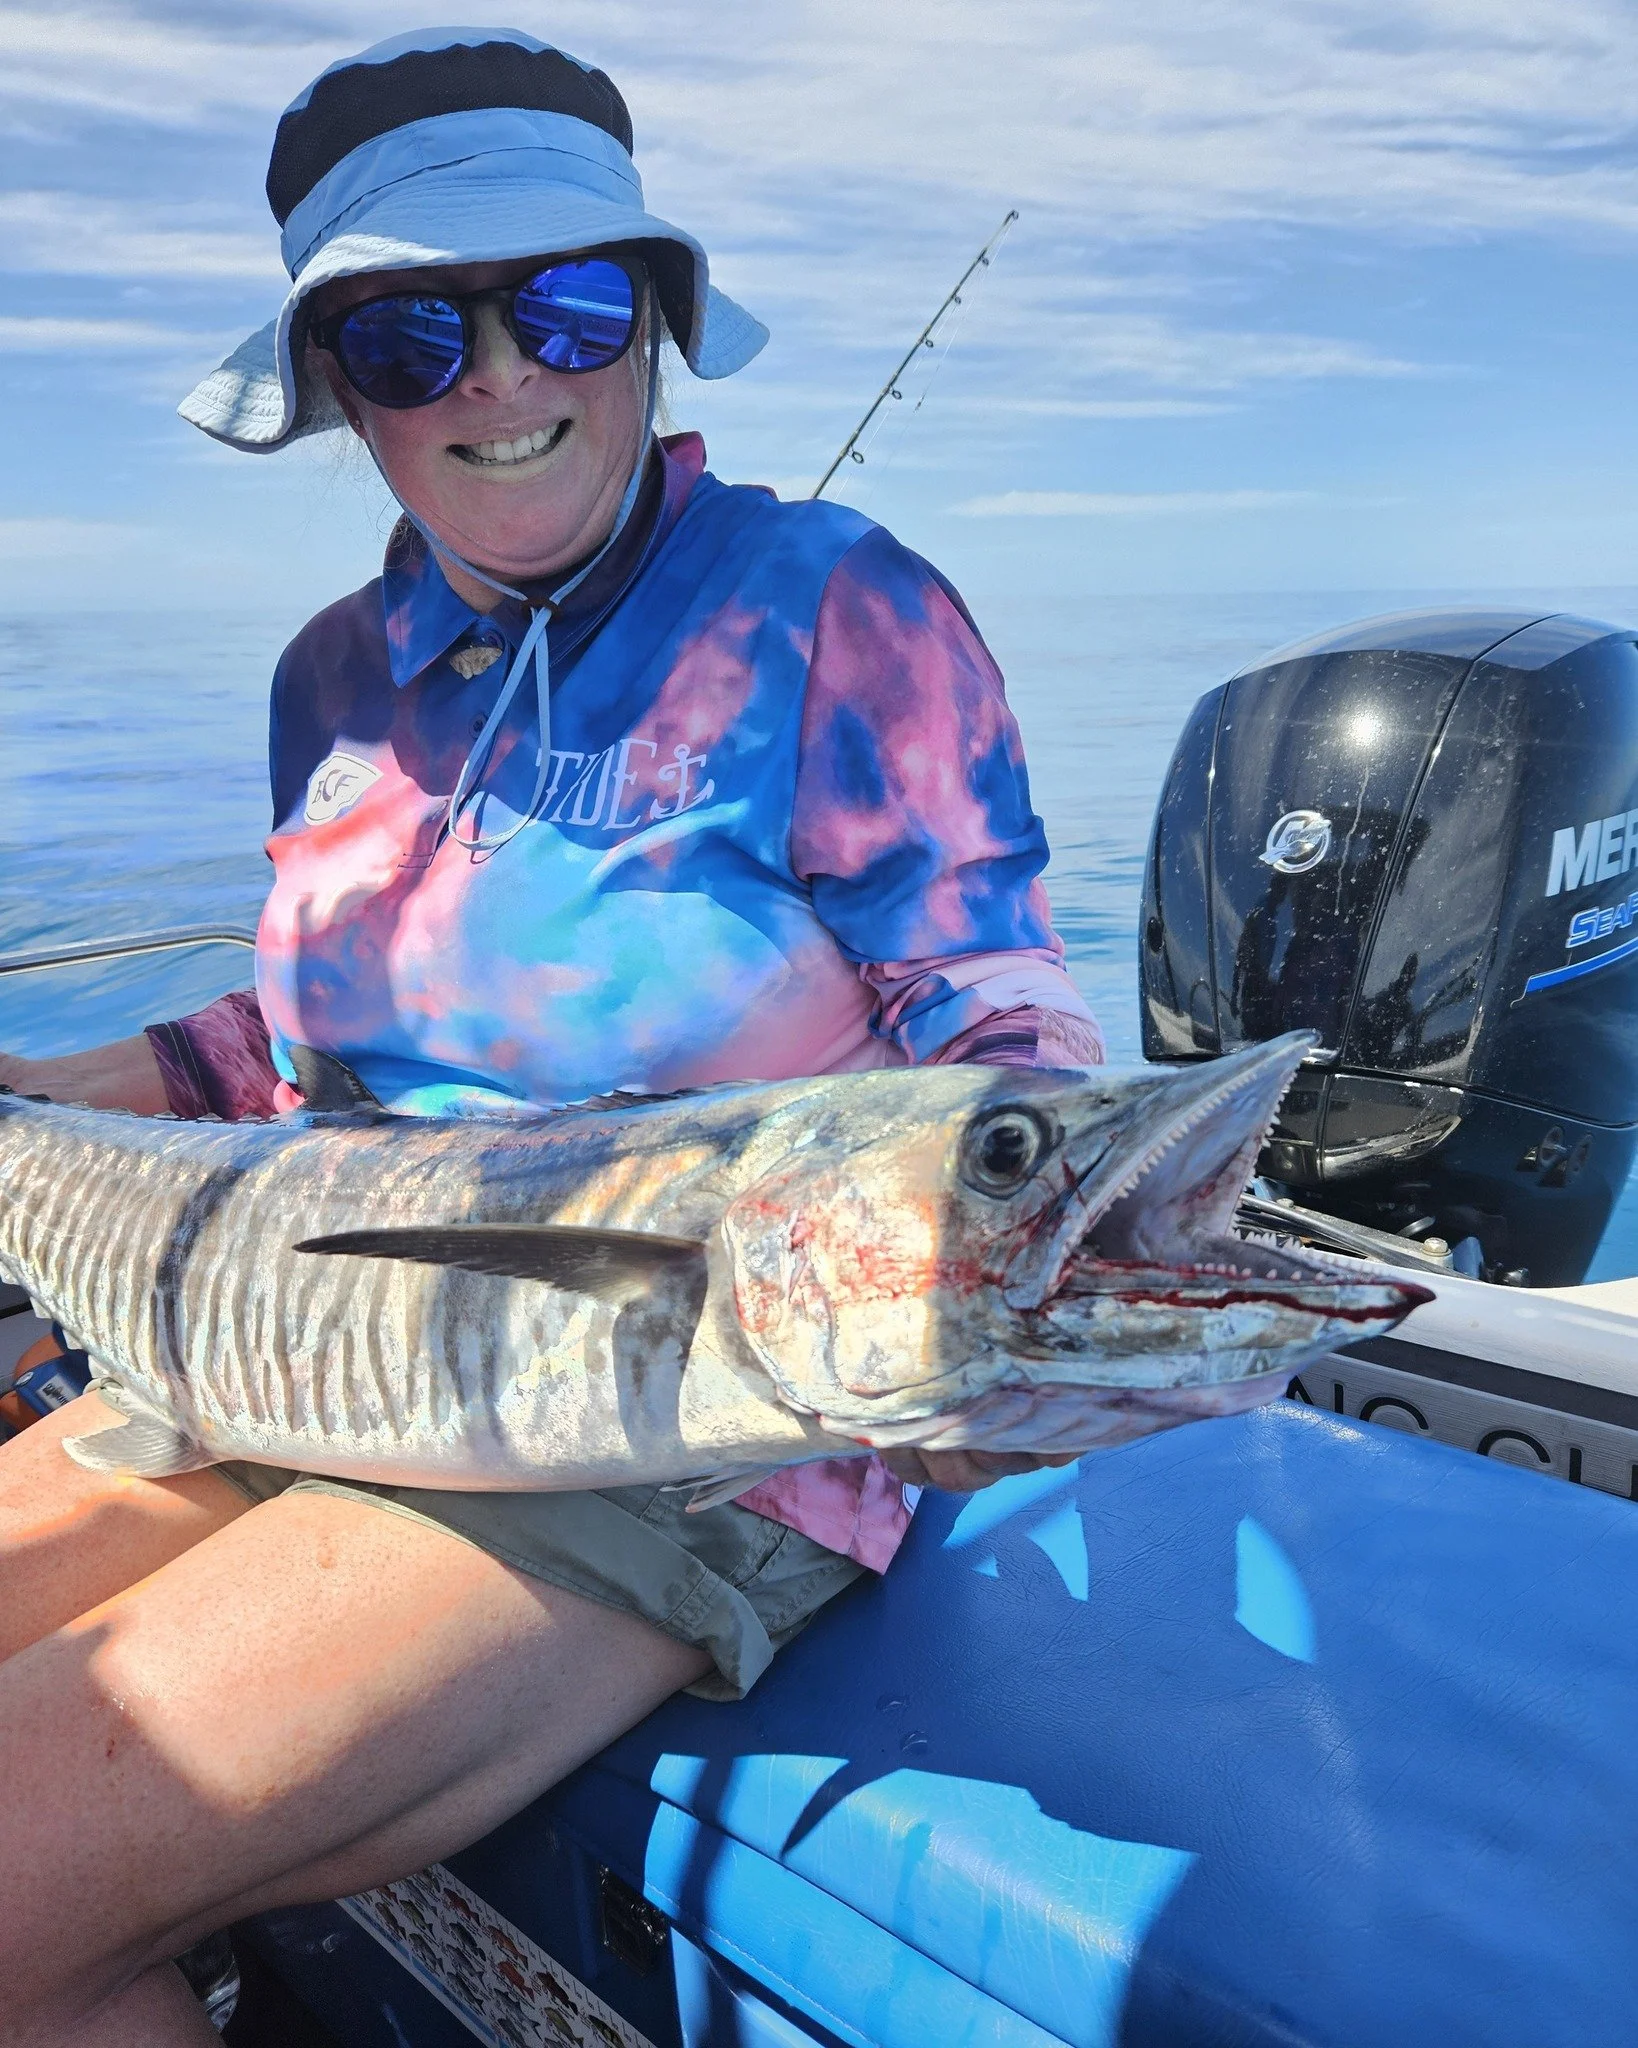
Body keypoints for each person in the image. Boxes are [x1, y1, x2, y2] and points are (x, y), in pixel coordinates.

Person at [0, 30, 1100, 2045]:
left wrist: (998, 1272)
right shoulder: (333, 674)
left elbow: (993, 1008)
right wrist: (90, 1091)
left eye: (568, 303)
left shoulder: (837, 606)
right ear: (342, 389)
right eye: (414, 337)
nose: (503, 376)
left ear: (653, 325)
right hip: (297, 1330)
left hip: (676, 1416)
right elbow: (334, 1037)